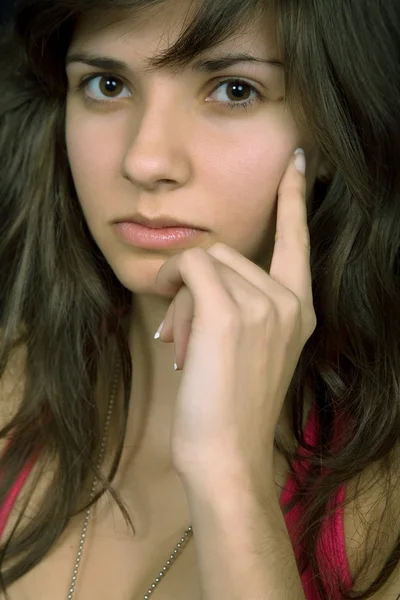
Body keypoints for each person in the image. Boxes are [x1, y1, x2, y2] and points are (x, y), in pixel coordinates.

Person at [0, 0, 399, 598]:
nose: (145, 160)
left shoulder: (383, 503)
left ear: (332, 131)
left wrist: (228, 480)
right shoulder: (12, 388)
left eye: (235, 90)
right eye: (107, 85)